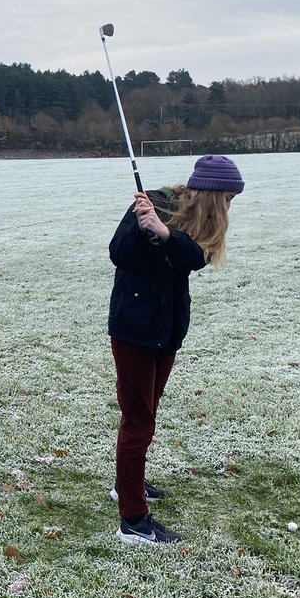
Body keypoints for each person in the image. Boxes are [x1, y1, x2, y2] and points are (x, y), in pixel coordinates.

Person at [108, 155, 244, 544]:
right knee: (138, 421)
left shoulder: (200, 222)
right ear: (212, 193)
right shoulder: (152, 201)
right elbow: (119, 253)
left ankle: (127, 483)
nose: (230, 206)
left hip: (166, 330)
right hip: (134, 327)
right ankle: (133, 519)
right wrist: (142, 225)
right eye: (228, 198)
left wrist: (165, 234)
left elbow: (194, 259)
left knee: (145, 413)